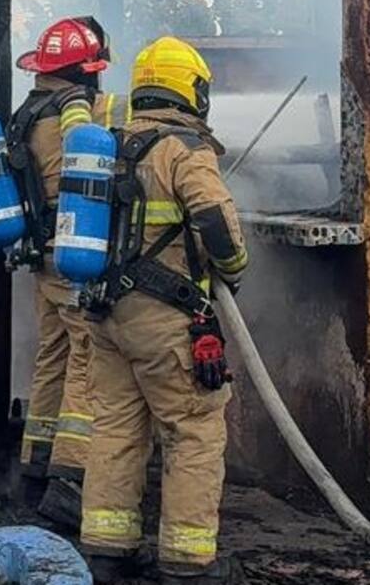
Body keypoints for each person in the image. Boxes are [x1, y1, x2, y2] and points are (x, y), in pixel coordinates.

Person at [78, 36, 248, 584]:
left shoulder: (110, 141)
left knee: (116, 428)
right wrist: (235, 270)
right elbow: (217, 224)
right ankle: (188, 562)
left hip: (107, 314)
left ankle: (106, 550)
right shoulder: (183, 149)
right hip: (166, 318)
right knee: (194, 429)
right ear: (191, 91)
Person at [9, 17, 126, 515]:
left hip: (42, 253)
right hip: (73, 249)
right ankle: (71, 480)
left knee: (52, 355)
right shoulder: (76, 108)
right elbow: (90, 152)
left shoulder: (27, 110)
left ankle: (36, 463)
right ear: (85, 70)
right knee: (89, 358)